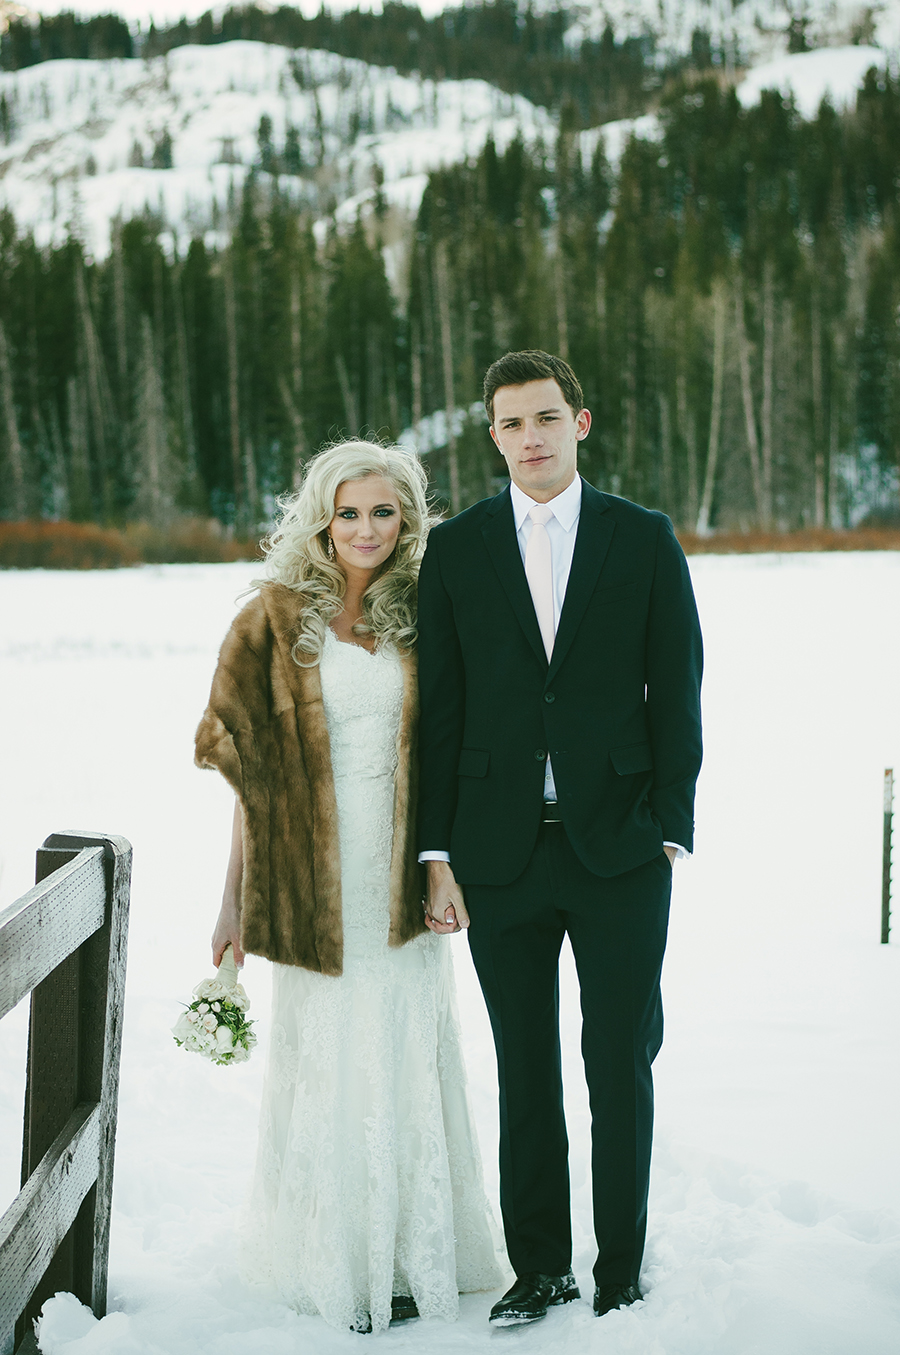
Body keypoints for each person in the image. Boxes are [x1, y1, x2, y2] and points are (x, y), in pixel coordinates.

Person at [417, 351, 703, 1327]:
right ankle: (539, 1264)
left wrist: (671, 824)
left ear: (580, 422)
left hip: (621, 848)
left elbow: (679, 686)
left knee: (619, 1058)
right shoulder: (456, 550)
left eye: (547, 416)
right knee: (524, 1063)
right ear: (492, 434)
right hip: (499, 855)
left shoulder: (643, 536)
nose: (530, 435)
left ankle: (620, 1262)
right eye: (511, 422)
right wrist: (435, 852)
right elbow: (441, 713)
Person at [195, 440, 506, 1335]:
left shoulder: (428, 611)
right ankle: (332, 1254)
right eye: (349, 512)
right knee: (329, 1054)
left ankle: (411, 1254)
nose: (366, 529)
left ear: (406, 518)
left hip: (404, 870)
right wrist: (232, 901)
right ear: (322, 518)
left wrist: (447, 864)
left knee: (406, 1050)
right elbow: (254, 779)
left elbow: (458, 747)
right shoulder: (274, 618)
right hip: (309, 878)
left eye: (384, 511)